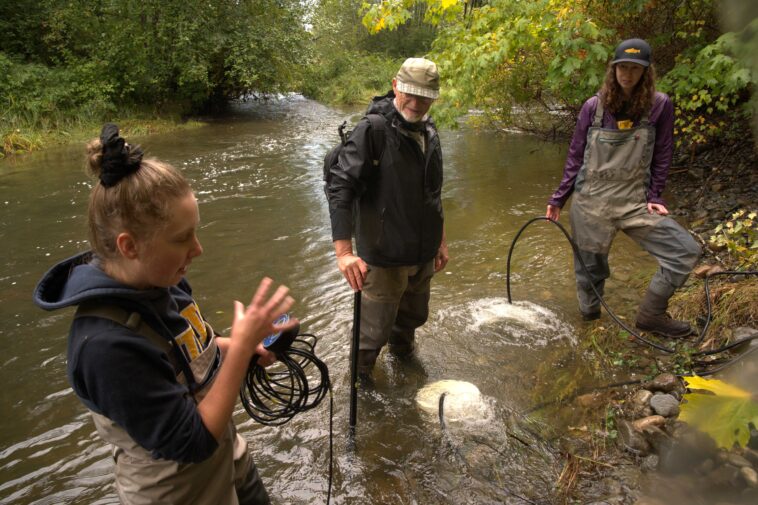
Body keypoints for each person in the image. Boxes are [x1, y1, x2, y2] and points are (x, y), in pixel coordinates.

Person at [33, 124, 296, 504]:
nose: (198, 249)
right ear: (129, 246)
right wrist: (238, 353)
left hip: (228, 459)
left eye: (195, 232)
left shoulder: (164, 281)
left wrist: (241, 343)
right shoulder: (104, 347)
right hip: (178, 491)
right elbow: (192, 441)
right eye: (181, 238)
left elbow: (187, 355)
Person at [546, 38, 701, 338]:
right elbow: (576, 156)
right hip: (591, 202)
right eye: (622, 67)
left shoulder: (660, 106)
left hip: (634, 202)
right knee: (589, 273)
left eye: (634, 68)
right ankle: (590, 328)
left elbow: (663, 153)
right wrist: (559, 198)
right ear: (613, 69)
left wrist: (655, 195)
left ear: (646, 72)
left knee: (685, 251)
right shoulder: (593, 107)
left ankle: (650, 316)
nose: (627, 74)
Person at [326, 57, 449, 376]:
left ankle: (406, 373)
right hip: (382, 258)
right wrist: (344, 253)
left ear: (434, 97)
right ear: (395, 86)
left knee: (409, 323)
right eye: (408, 92)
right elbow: (342, 186)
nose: (415, 102)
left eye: (424, 96)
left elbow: (433, 191)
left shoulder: (430, 130)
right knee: (370, 336)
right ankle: (363, 391)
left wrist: (440, 241)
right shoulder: (373, 129)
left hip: (421, 254)